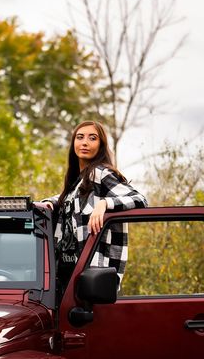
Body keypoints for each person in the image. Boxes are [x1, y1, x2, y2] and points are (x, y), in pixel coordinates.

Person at [39, 120, 148, 293]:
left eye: (92, 138)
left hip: (92, 276)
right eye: (80, 137)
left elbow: (140, 200)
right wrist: (50, 203)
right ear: (73, 142)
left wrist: (105, 203)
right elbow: (69, 201)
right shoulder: (78, 181)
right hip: (65, 271)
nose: (85, 142)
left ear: (101, 145)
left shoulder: (101, 173)